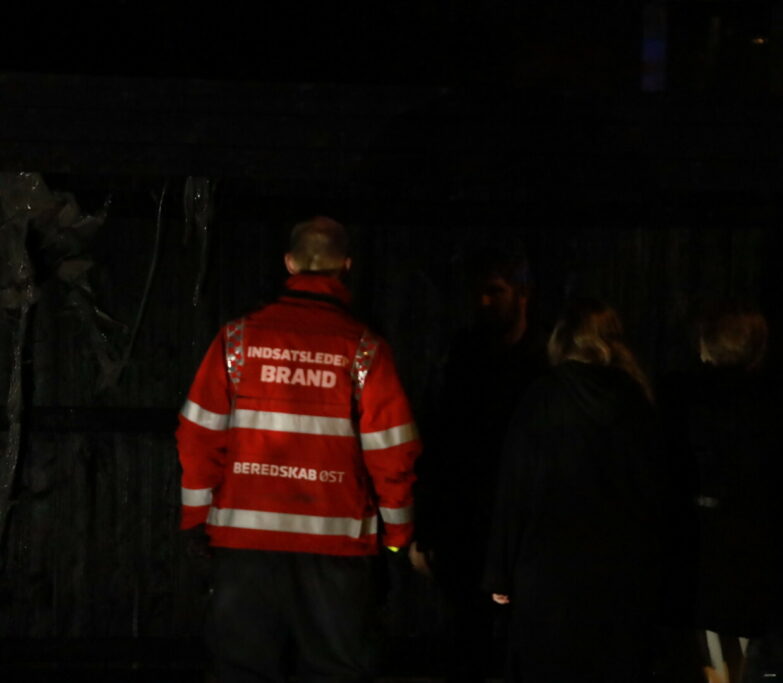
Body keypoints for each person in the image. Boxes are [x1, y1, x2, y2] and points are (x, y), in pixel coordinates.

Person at [176, 216, 421, 683]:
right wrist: (397, 537)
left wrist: (195, 522)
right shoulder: (365, 349)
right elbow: (393, 452)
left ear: (289, 263)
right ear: (346, 265)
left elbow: (198, 434)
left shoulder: (236, 340)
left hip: (244, 550)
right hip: (337, 553)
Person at [482, 298, 665, 683]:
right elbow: (653, 493)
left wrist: (499, 571)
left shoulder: (543, 396)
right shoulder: (637, 400)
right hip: (619, 575)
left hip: (547, 575)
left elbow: (515, 486)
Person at [412, 244, 548, 682]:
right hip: (468, 523)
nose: (484, 302)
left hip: (521, 525)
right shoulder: (462, 356)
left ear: (522, 294)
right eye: (480, 292)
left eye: (495, 291)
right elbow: (437, 440)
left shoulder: (543, 363)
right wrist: (427, 527)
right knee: (467, 639)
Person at [685, 306, 783, 683]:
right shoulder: (781, 406)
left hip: (705, 556)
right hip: (759, 559)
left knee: (715, 656)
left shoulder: (688, 403)